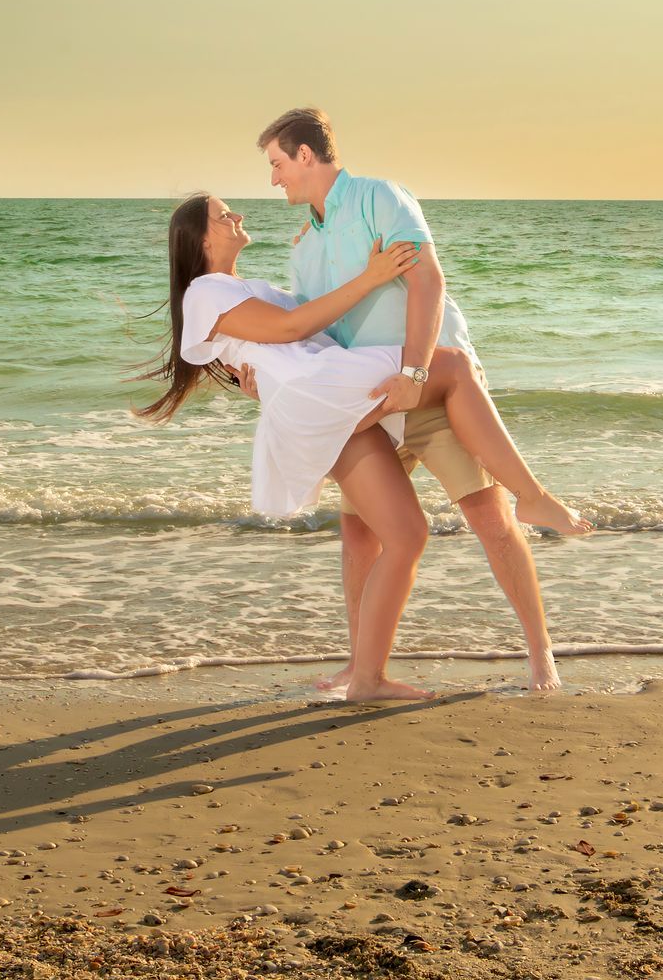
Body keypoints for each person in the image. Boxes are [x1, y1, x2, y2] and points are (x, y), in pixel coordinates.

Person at [134, 192, 588, 702]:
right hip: (322, 392)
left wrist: (326, 259)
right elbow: (292, 328)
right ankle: (531, 495)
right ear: (201, 239)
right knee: (453, 367)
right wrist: (371, 275)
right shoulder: (204, 291)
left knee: (407, 535)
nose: (236, 215)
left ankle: (369, 679)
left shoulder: (249, 286)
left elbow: (309, 327)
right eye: (223, 215)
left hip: (330, 395)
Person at [242, 106, 571, 694]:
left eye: (276, 164)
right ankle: (362, 665)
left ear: (306, 156)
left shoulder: (381, 198)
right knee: (360, 535)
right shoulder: (303, 248)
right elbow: (315, 330)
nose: (273, 179)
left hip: (431, 388)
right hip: (367, 405)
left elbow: (428, 282)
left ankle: (540, 652)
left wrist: (416, 373)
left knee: (489, 518)